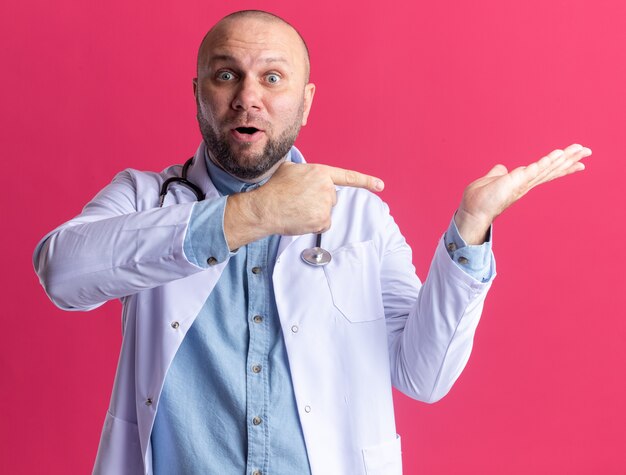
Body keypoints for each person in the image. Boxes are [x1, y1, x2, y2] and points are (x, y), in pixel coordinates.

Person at [33, 9, 591, 475]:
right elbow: (62, 272)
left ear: (305, 102)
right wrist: (249, 214)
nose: (247, 97)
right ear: (198, 91)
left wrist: (471, 228)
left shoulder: (360, 218)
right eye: (226, 75)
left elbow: (424, 375)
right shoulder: (145, 197)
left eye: (273, 78)